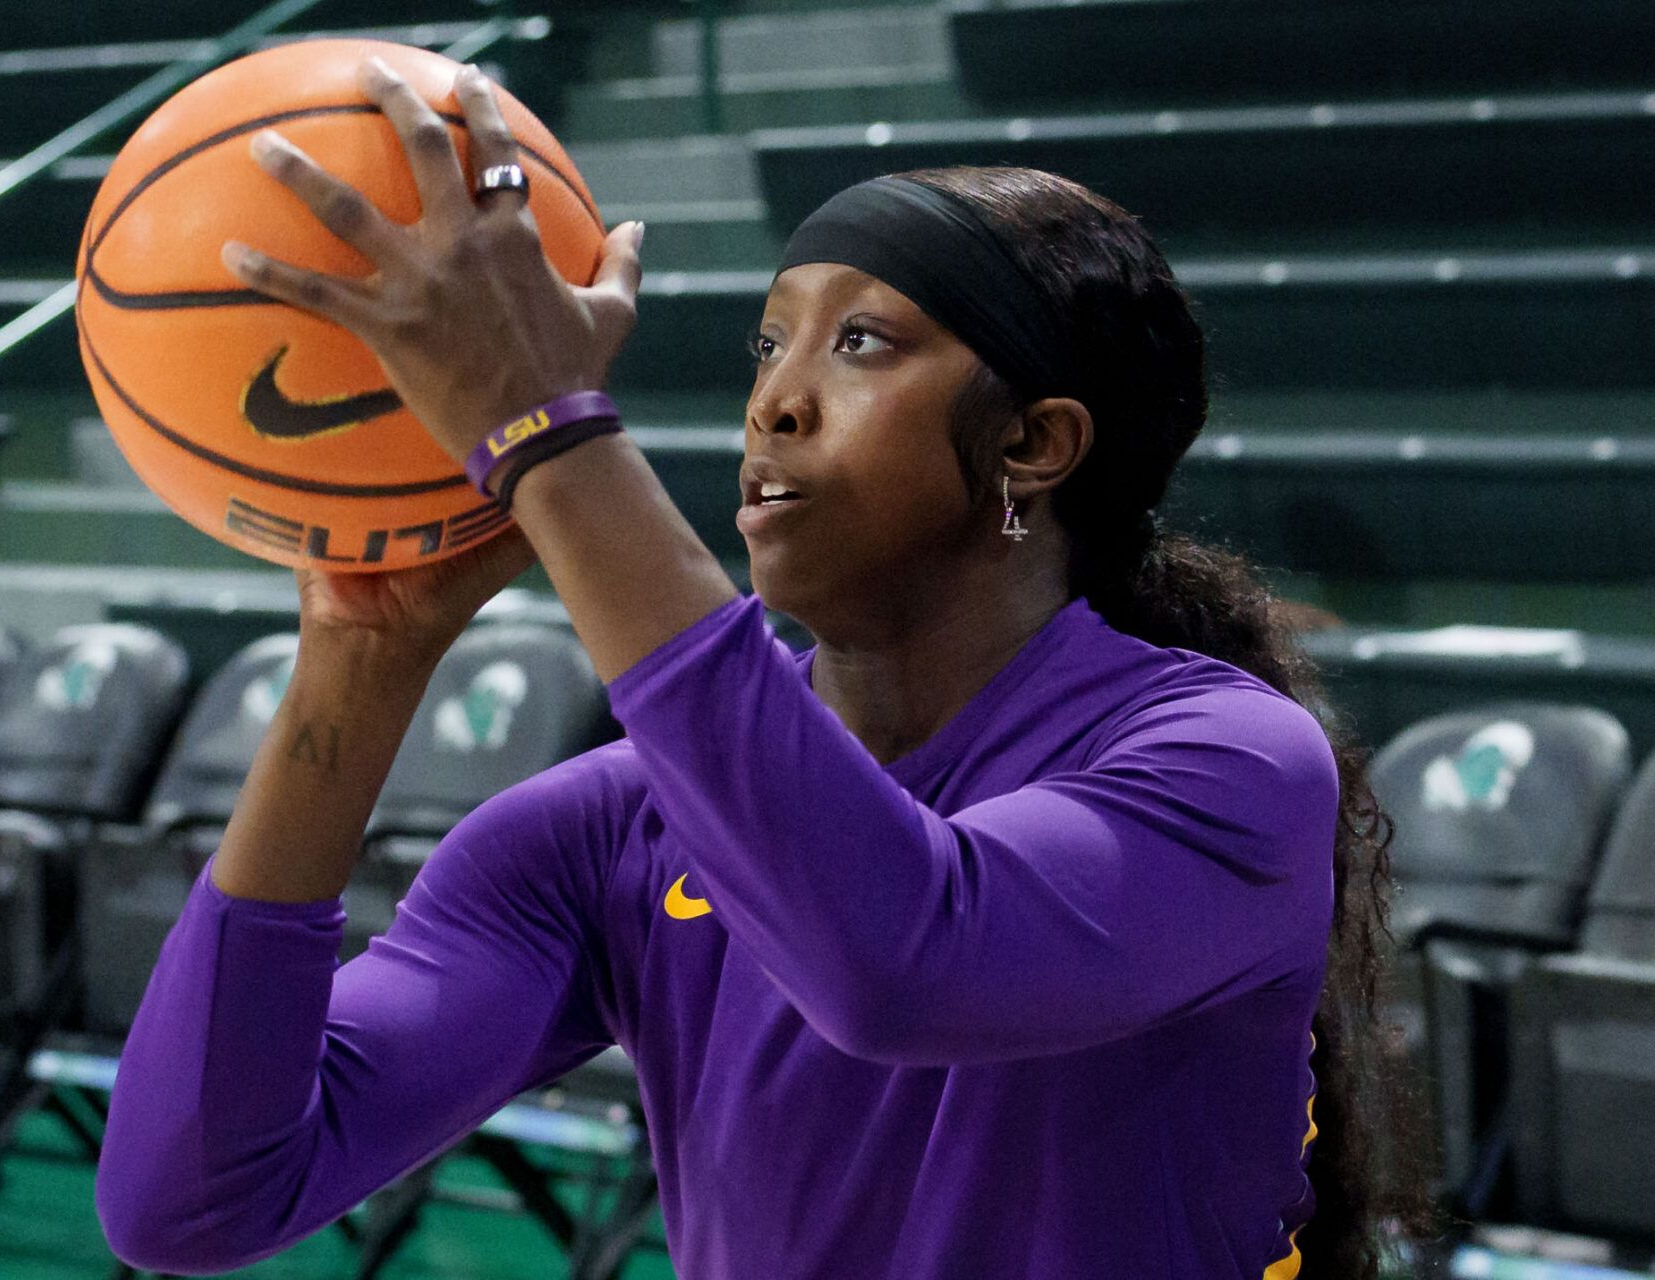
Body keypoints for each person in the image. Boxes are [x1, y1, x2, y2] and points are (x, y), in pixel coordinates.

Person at [95, 57, 1415, 1279]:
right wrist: (363, 652)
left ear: (1032, 445)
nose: (775, 402)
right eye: (768, 343)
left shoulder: (1224, 760)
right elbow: (191, 1199)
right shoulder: (608, 828)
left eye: (862, 343)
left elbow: (899, 960)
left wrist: (552, 439)